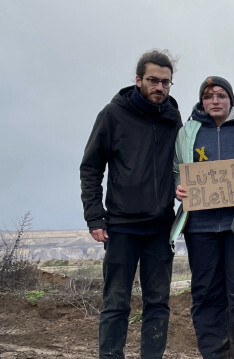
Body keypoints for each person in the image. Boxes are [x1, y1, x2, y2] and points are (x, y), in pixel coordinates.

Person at [80, 49, 182, 358]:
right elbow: (91, 167)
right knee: (116, 302)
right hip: (121, 226)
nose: (159, 88)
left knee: (158, 303)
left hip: (161, 227)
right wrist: (94, 217)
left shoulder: (173, 118)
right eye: (153, 80)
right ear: (138, 80)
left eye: (165, 82)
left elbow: (182, 164)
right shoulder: (113, 115)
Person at [171, 76, 234, 359]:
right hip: (200, 227)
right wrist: (178, 188)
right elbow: (175, 171)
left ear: (230, 99)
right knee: (206, 295)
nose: (214, 101)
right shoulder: (187, 132)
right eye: (207, 96)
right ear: (202, 101)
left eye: (220, 95)